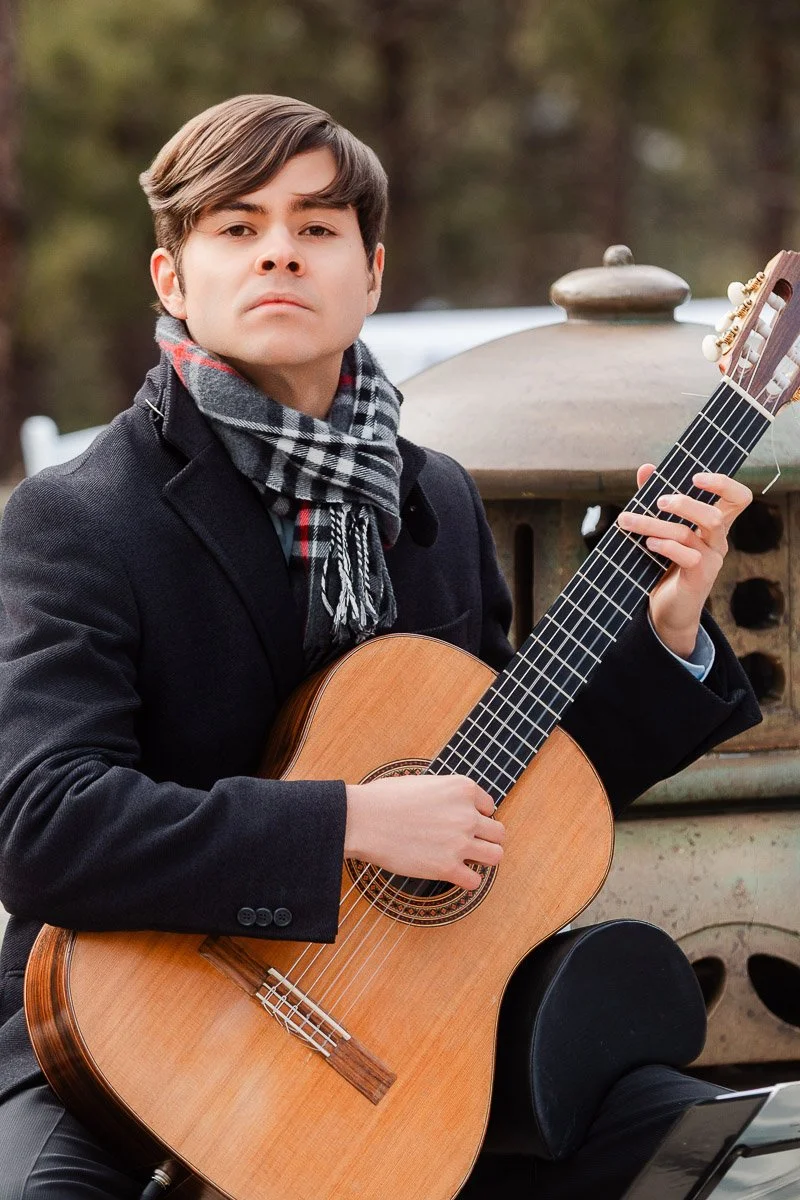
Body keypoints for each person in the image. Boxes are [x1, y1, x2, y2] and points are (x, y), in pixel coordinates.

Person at [0, 94, 760, 1198]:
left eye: (316, 229)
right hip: (128, 1027)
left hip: (393, 1023)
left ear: (371, 274)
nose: (278, 254)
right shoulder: (82, 516)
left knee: (681, 1144)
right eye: (236, 226)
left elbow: (507, 777)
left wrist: (668, 626)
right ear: (172, 278)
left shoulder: (430, 498)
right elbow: (43, 826)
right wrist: (351, 821)